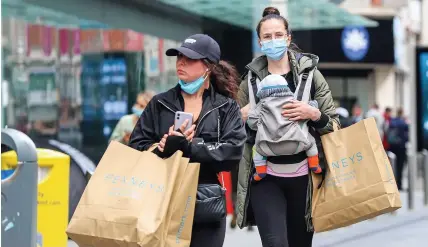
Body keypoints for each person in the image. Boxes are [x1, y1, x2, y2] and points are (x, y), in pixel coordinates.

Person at [128, 34, 246, 247]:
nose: (181, 62)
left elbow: (232, 152)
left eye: (189, 59)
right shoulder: (159, 103)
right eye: (179, 57)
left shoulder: (226, 107)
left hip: (205, 203)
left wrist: (191, 146)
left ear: (208, 66)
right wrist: (160, 147)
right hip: (162, 201)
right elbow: (136, 146)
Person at [235, 7, 339, 247]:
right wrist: (241, 116)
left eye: (278, 35)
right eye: (268, 37)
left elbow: (334, 126)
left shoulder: (311, 76)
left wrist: (313, 113)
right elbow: (235, 132)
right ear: (260, 42)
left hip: (305, 179)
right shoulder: (249, 81)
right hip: (264, 177)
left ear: (288, 38)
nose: (274, 41)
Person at [247, 74, 322, 181]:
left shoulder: (262, 105)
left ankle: (260, 171)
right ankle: (314, 165)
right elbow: (305, 116)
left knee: (256, 149)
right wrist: (313, 105)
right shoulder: (293, 102)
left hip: (268, 147)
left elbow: (252, 123)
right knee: (311, 142)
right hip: (296, 145)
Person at [387, 108, 409, 191]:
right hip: (401, 148)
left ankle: (392, 184)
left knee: (392, 166)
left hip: (392, 147)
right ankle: (399, 184)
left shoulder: (392, 122)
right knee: (400, 166)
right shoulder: (404, 123)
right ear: (402, 113)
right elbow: (406, 136)